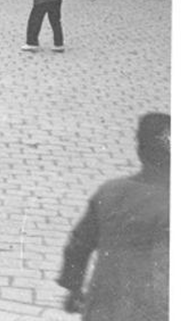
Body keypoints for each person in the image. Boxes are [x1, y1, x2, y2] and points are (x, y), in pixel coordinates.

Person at [57, 112, 169, 321]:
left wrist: (73, 288)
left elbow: (78, 245)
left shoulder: (110, 192)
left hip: (104, 308)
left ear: (139, 150)